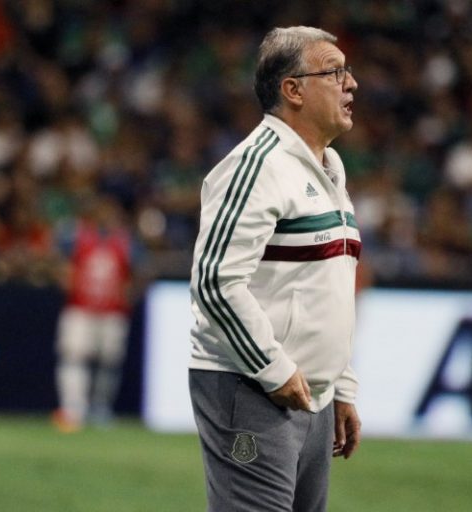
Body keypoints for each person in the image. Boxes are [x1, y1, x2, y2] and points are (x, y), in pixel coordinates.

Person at [188, 26, 362, 511]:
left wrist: (339, 386)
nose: (352, 84)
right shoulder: (256, 165)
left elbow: (325, 285)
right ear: (293, 89)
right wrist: (272, 368)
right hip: (252, 388)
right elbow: (215, 281)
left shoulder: (330, 166)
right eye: (335, 72)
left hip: (311, 396)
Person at [51, 193, 139, 432]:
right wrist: (64, 274)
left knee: (109, 360)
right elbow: (57, 257)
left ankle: (100, 407)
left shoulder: (125, 241)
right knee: (74, 355)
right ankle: (72, 408)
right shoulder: (77, 235)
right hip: (80, 306)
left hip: (113, 309)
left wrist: (131, 290)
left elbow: (141, 268)